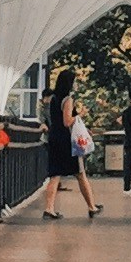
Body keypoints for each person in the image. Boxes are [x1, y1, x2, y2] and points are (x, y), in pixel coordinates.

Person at [40, 67, 102, 221]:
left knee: (55, 174)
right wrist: (78, 117)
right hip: (66, 141)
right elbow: (67, 121)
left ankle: (49, 209)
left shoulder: (53, 99)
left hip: (54, 137)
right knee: (80, 173)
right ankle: (91, 207)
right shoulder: (67, 100)